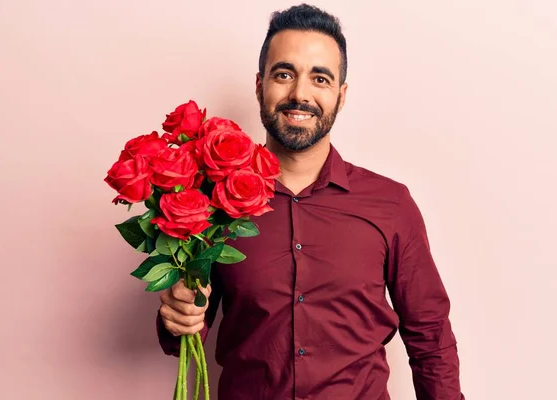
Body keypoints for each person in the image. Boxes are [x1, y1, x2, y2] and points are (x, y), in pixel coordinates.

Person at [156, 3, 465, 399]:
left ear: (341, 94)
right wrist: (176, 316)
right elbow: (186, 335)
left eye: (320, 78)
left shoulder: (391, 205)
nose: (300, 94)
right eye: (284, 74)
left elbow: (432, 340)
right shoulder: (211, 206)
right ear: (259, 85)